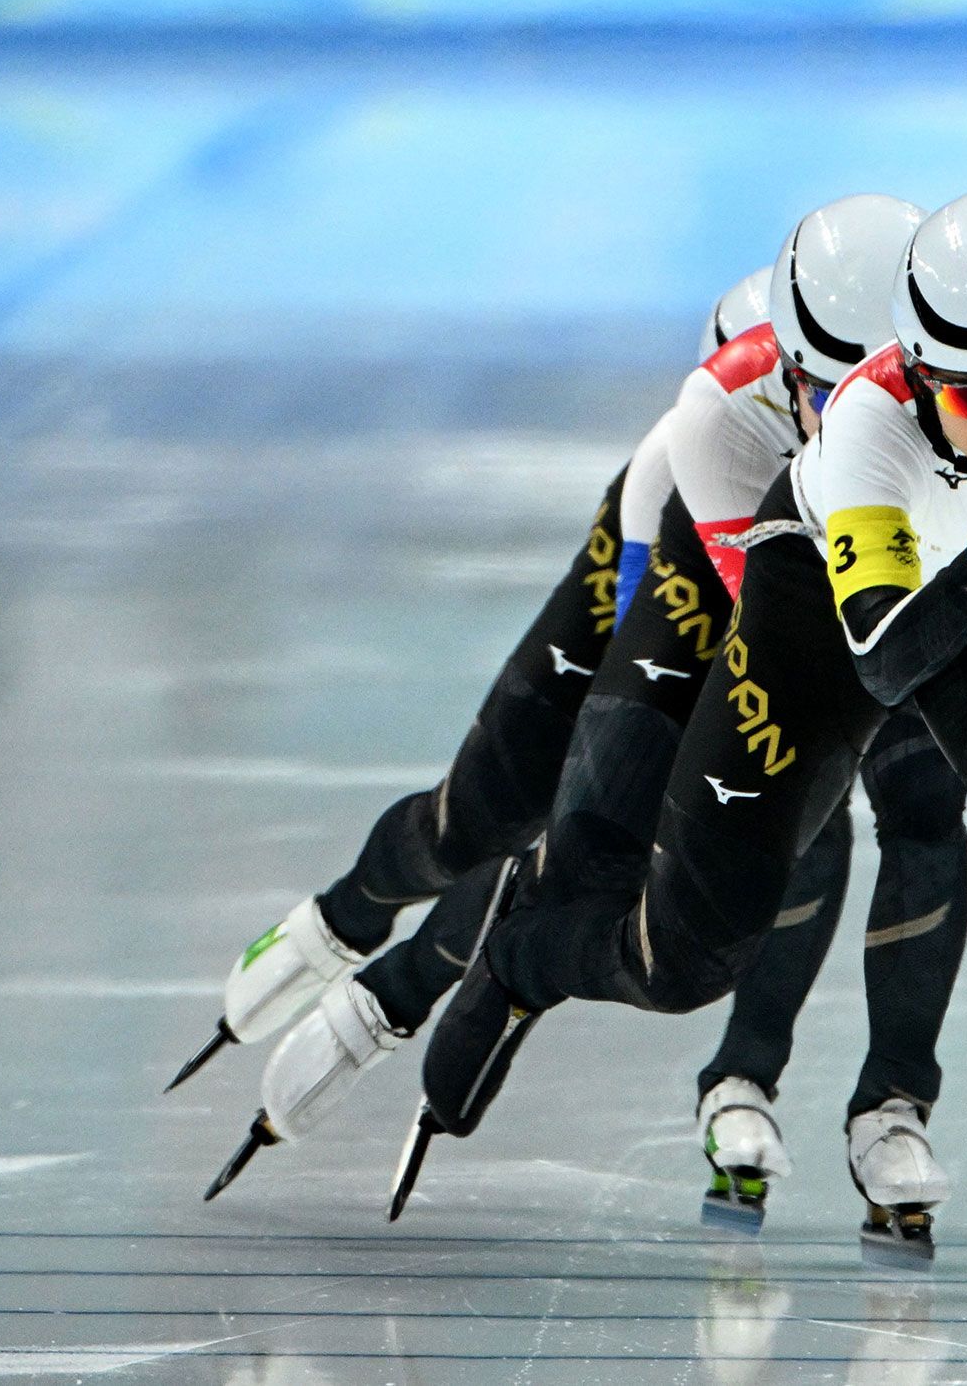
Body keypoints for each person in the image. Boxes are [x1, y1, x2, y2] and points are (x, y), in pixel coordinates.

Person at [408, 187, 967, 1285]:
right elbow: (889, 667)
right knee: (688, 960)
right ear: (913, 369)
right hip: (827, 602)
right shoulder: (867, 429)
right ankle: (527, 947)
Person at [207, 199, 967, 1257]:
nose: (835, 417)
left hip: (834, 562)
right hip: (678, 562)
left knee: (855, 806)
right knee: (492, 816)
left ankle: (788, 1082)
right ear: (780, 371)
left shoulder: (941, 424)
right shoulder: (707, 426)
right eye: (812, 392)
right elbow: (716, 668)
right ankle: (346, 930)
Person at [166, 267, 772, 1095]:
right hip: (648, 604)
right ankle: (347, 913)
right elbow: (636, 637)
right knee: (482, 822)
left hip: (755, 599)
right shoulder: (674, 457)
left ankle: (407, 985)